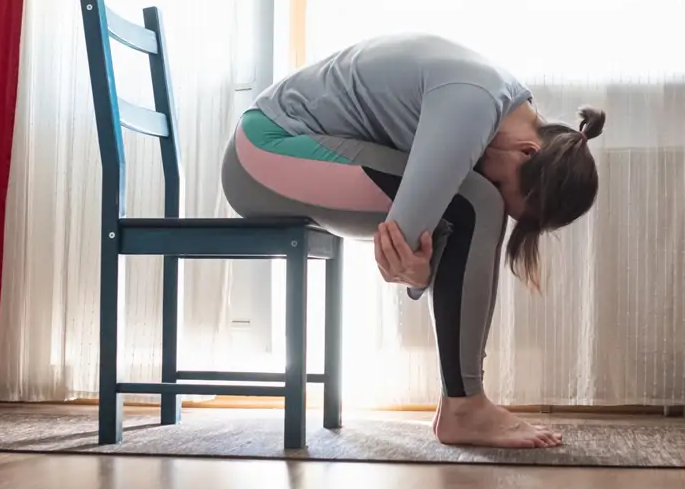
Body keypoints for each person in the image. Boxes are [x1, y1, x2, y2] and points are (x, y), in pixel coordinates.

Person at [221, 34, 603, 449]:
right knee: (478, 204)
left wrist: (421, 269)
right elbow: (398, 247)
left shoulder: (496, 99)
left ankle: (461, 404)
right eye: (502, 182)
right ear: (529, 152)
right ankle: (465, 408)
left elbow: (414, 241)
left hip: (282, 147)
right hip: (262, 152)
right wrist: (419, 272)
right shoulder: (474, 104)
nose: (491, 178)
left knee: (473, 201)